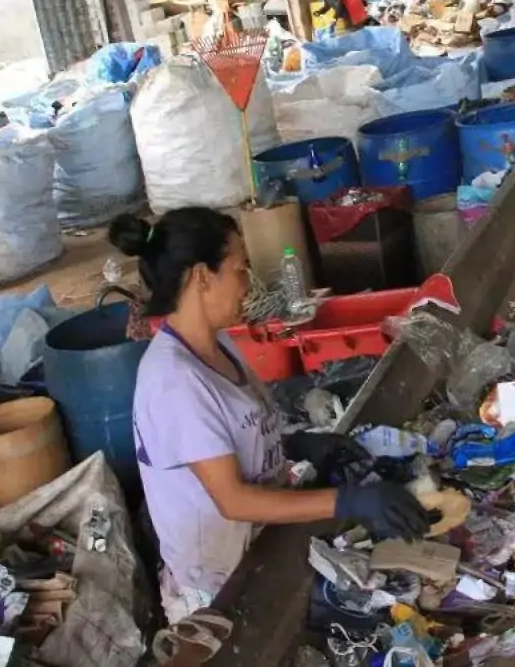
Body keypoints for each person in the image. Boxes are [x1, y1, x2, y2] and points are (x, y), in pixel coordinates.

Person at [109, 209, 431, 623]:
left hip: (260, 545)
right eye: (240, 269)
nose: (248, 284)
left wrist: (297, 442)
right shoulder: (175, 382)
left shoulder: (219, 343)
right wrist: (350, 500)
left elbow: (231, 437)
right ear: (201, 277)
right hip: (220, 589)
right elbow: (233, 500)